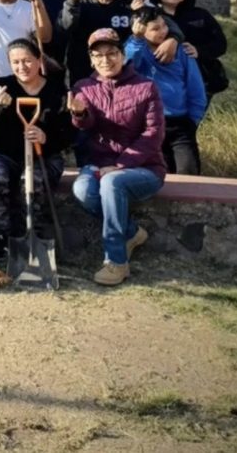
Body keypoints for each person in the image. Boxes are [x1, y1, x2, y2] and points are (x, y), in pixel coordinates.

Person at [70, 28, 166, 286]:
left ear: (123, 55)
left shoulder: (146, 87)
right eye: (98, 55)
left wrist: (122, 165)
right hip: (99, 164)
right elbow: (87, 124)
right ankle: (132, 232)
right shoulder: (84, 87)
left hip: (144, 167)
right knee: (82, 190)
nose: (105, 60)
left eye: (111, 53)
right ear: (91, 60)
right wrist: (79, 114)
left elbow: (153, 134)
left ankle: (116, 260)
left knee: (112, 182)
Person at [0, 39, 72, 257]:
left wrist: (45, 137)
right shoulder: (1, 86)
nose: (22, 67)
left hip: (44, 156)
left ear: (39, 60)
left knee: (32, 182)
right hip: (7, 155)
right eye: (16, 62)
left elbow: (68, 134)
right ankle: (3, 238)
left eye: (27, 61)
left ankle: (33, 237)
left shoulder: (57, 90)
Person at [59, 0, 181, 84]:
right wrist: (72, 1)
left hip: (123, 80)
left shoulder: (132, 6)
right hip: (83, 79)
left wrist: (173, 39)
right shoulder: (76, 5)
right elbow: (64, 27)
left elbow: (167, 24)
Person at [126, 6, 206, 175]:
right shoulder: (135, 48)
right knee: (159, 173)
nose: (163, 31)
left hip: (180, 124)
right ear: (141, 30)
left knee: (188, 171)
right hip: (147, 124)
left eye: (164, 25)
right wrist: (137, 39)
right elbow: (128, 66)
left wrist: (193, 120)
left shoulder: (181, 51)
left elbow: (196, 88)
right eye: (155, 29)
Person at [153, 0, 229, 99]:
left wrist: (199, 51)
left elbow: (221, 44)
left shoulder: (200, 15)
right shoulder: (152, 16)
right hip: (164, 84)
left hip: (201, 81)